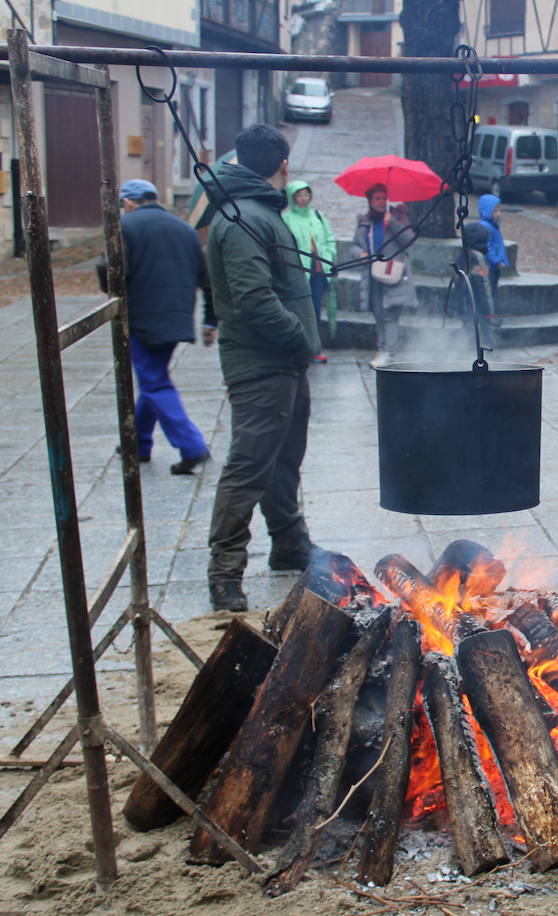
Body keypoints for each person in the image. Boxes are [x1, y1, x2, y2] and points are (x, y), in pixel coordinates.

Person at [205, 124, 321, 613]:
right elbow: (254, 300)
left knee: (282, 460)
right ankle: (225, 572)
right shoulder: (242, 219)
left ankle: (289, 543)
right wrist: (298, 339)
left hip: (285, 363)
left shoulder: (257, 213)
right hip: (264, 362)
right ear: (283, 166)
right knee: (250, 464)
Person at [108, 179, 213, 475]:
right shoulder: (185, 230)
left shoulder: (126, 227)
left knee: (154, 382)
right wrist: (210, 319)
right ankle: (137, 443)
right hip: (178, 318)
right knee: (153, 378)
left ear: (128, 202)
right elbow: (206, 279)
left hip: (143, 318)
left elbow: (115, 271)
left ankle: (191, 446)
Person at [352, 183, 417, 368]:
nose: (381, 202)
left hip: (392, 273)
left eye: (383, 198)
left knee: (390, 315)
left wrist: (393, 224)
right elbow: (354, 244)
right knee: (378, 314)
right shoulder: (365, 222)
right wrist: (359, 253)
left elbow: (409, 241)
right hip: (373, 274)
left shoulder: (397, 218)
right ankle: (382, 349)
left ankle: (390, 352)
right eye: (377, 199)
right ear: (370, 202)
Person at [281, 179, 335, 364]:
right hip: (298, 271)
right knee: (298, 311)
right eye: (299, 195)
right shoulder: (287, 219)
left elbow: (329, 239)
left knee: (315, 309)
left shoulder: (318, 216)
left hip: (318, 269)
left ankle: (314, 347)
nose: (303, 199)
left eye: (306, 195)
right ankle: (299, 347)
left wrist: (328, 257)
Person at [477, 193, 509, 298]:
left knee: (493, 287)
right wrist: (496, 261)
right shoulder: (487, 227)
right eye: (495, 211)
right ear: (486, 212)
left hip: (493, 266)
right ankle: (488, 311)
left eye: (499, 210)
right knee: (490, 289)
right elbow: (488, 247)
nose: (498, 213)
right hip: (491, 266)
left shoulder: (492, 225)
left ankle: (490, 310)